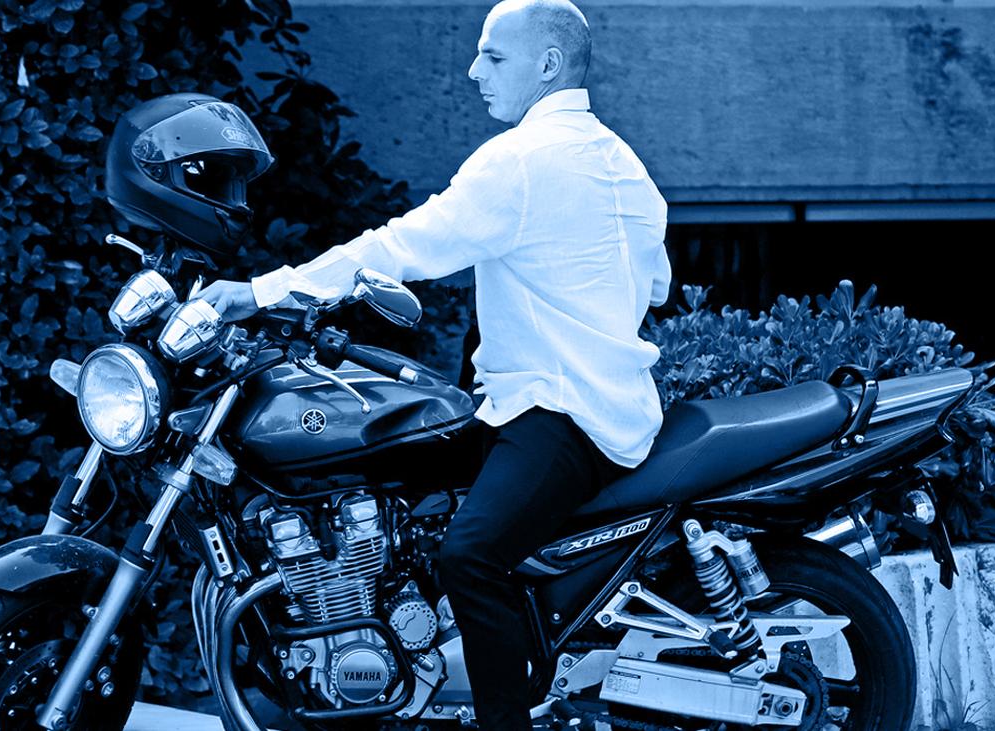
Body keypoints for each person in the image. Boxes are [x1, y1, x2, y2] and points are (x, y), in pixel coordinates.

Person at [199, 0, 670, 726]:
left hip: (563, 410)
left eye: (494, 56)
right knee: (398, 485)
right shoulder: (625, 166)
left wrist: (262, 291)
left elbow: (402, 245)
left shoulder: (521, 160)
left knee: (468, 556)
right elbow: (656, 284)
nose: (474, 70)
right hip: (575, 402)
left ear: (548, 65)